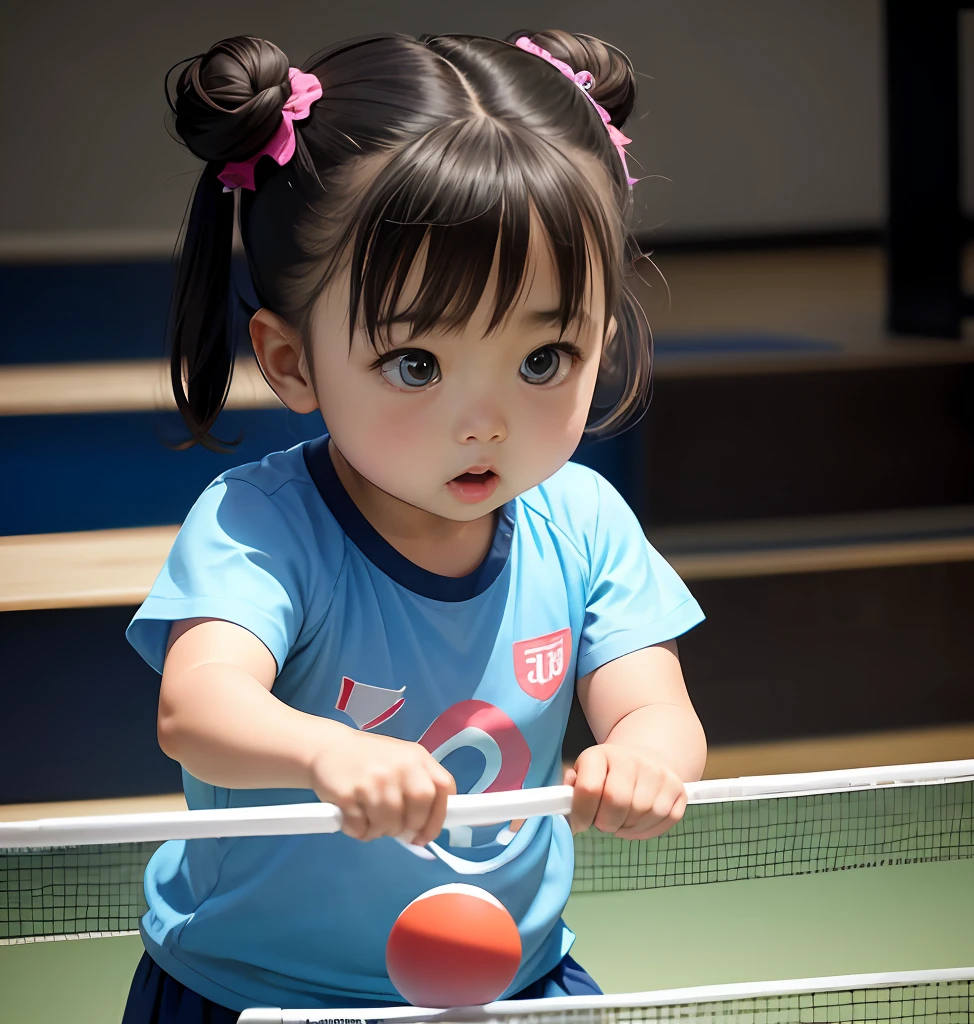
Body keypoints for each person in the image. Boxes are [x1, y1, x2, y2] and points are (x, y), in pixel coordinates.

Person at [122, 28, 708, 1022]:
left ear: (602, 338)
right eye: (415, 365)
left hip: (511, 980)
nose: (482, 420)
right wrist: (326, 751)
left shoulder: (586, 519)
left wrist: (645, 758)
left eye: (542, 359)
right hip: (256, 994)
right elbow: (198, 711)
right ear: (293, 360)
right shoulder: (260, 528)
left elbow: (656, 707)